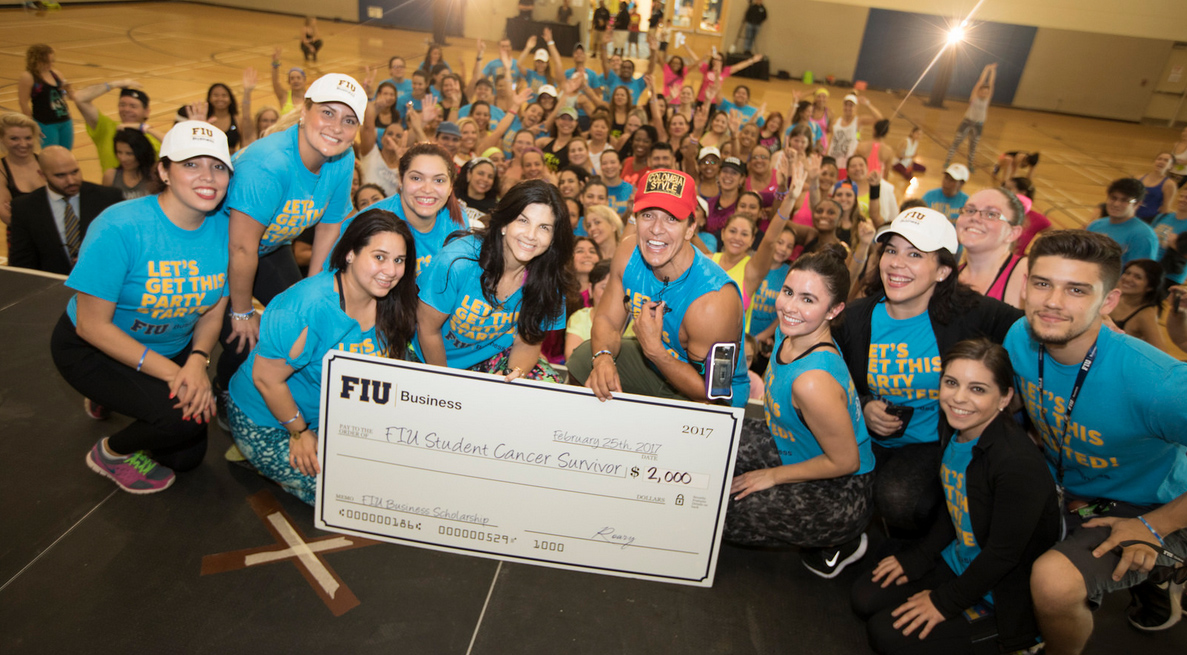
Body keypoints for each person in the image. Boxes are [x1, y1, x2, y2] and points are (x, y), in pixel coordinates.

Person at [1006, 231, 1187, 650]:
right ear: (1025, 285)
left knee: (1052, 582)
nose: (1052, 301)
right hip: (1073, 487)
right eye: (1042, 283)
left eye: (1076, 289)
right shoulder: (1020, 336)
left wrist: (1153, 526)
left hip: (1152, 504)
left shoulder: (1156, 382)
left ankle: (1164, 567)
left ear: (1108, 302)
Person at [49, 121, 234, 494]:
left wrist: (198, 360)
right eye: (190, 165)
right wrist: (174, 374)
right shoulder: (120, 226)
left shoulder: (226, 228)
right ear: (163, 171)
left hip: (173, 347)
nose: (208, 177)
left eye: (218, 167)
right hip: (95, 349)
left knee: (185, 459)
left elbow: (216, 307)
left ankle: (126, 396)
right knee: (182, 421)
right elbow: (91, 325)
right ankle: (109, 453)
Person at [852, 339, 1060, 655]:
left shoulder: (1017, 465)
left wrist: (945, 602)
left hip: (999, 589)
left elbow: (1004, 555)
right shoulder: (955, 426)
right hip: (960, 561)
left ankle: (1020, 644)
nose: (958, 398)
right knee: (865, 598)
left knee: (886, 636)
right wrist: (919, 558)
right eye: (951, 383)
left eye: (978, 389)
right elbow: (956, 508)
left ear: (1004, 397)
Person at [833, 208, 1022, 534]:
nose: (896, 262)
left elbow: (1035, 329)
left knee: (899, 499)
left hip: (931, 443)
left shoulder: (971, 313)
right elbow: (832, 380)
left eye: (915, 254)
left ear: (943, 271)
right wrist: (863, 403)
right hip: (864, 437)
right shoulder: (855, 318)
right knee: (832, 498)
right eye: (891, 250)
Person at [228, 210, 418, 504]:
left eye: (399, 260)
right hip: (270, 420)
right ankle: (259, 459)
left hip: (334, 416)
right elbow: (265, 379)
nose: (391, 270)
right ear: (350, 254)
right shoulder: (304, 307)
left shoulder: (390, 299)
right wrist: (299, 431)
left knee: (399, 472)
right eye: (379, 257)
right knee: (349, 494)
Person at [725, 249, 876, 577]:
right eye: (788, 292)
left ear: (834, 310)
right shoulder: (789, 331)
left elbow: (846, 462)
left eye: (808, 300)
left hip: (842, 490)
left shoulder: (812, 382)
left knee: (721, 513)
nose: (790, 307)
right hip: (795, 446)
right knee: (716, 443)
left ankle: (840, 542)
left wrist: (772, 475)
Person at [216, 74, 366, 401]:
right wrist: (241, 312)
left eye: (348, 120)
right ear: (304, 111)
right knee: (242, 339)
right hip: (221, 251)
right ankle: (224, 391)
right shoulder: (269, 163)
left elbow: (329, 227)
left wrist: (311, 294)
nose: (337, 127)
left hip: (270, 247)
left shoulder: (342, 158)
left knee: (300, 325)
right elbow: (240, 246)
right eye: (327, 113)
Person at [569, 168, 750, 406]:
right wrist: (603, 359)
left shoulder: (714, 300)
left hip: (710, 398)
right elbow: (608, 321)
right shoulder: (628, 253)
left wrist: (655, 350)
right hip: (655, 364)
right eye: (647, 215)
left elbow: (715, 392)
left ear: (690, 229)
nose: (656, 229)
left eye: (671, 218)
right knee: (584, 358)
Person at [414, 179, 573, 380]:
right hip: (433, 359)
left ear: (553, 237)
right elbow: (427, 329)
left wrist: (511, 375)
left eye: (544, 227)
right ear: (505, 223)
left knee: (546, 381)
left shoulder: (550, 279)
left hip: (491, 359)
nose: (531, 235)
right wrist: (447, 383)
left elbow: (528, 341)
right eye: (523, 221)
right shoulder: (457, 261)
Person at [358, 143, 469, 277]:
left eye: (439, 180)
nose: (427, 189)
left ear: (451, 186)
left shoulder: (457, 220)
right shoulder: (369, 221)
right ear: (400, 180)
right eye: (416, 178)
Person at [9, 146, 122, 275]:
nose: (71, 180)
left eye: (75, 172)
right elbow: (22, 263)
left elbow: (125, 245)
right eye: (60, 175)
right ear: (42, 175)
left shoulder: (108, 197)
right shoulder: (24, 207)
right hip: (52, 288)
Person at [955, 188, 1029, 308]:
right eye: (970, 210)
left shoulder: (1025, 273)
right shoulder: (950, 276)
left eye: (991, 214)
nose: (975, 218)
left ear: (1012, 233)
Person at [72, 82, 161, 172]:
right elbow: (80, 98)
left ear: (146, 111)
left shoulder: (155, 137)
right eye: (122, 105)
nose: (126, 109)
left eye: (133, 106)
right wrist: (113, 85)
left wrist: (143, 127)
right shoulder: (106, 128)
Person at [1086, 177, 1159, 266]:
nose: (1116, 204)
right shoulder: (1095, 225)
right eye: (1113, 198)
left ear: (1137, 204)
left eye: (1125, 200)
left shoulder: (1143, 235)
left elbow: (1141, 273)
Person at [18, 44, 73, 149]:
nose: (50, 64)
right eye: (47, 62)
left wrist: (68, 90)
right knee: (51, 156)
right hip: (46, 123)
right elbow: (23, 102)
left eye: (52, 61)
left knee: (66, 155)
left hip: (65, 121)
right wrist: (32, 125)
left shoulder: (56, 74)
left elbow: (66, 96)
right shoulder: (28, 77)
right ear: (37, 61)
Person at [944, 64, 995, 173]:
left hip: (978, 125)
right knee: (956, 142)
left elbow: (991, 84)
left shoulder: (986, 101)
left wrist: (993, 71)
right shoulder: (974, 97)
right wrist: (986, 69)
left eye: (987, 92)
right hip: (967, 122)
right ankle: (947, 161)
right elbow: (980, 82)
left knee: (973, 146)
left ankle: (970, 164)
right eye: (983, 91)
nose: (985, 93)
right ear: (979, 91)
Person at [1109, 259, 1168, 351]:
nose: (1128, 279)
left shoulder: (1145, 315)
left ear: (1150, 287)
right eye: (1127, 273)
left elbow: (1161, 352)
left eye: (1138, 277)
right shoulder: (1112, 293)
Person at [1, 112, 44, 229]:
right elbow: (6, 216)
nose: (23, 144)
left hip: (56, 235)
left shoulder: (47, 162)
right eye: (14, 138)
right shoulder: (2, 171)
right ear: (2, 138)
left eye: (28, 138)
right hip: (22, 239)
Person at [177, 83, 244, 152]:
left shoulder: (238, 120)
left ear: (230, 99)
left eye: (224, 95)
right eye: (215, 95)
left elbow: (245, 144)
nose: (220, 98)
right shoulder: (203, 119)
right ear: (209, 98)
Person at [1004, 176, 1051, 256]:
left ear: (1022, 193)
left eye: (1009, 189)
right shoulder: (997, 212)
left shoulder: (1036, 219)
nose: (1004, 191)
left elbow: (1057, 239)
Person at [102, 128, 155, 200]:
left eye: (129, 154)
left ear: (141, 153)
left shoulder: (154, 176)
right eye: (119, 152)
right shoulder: (110, 176)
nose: (123, 158)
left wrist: (146, 128)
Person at [1151, 188, 1187, 284]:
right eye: (1182, 196)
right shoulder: (1163, 217)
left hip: (1170, 276)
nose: (1182, 200)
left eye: (1186, 198)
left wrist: (1176, 245)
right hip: (1150, 267)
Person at [1136, 152, 1177, 222]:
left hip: (1149, 219)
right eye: (1159, 159)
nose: (1161, 162)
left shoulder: (1169, 184)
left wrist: (1159, 223)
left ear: (1171, 166)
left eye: (1166, 160)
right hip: (1132, 215)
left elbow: (1165, 208)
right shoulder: (1138, 178)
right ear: (1155, 161)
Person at [270, 49, 308, 115]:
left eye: (298, 78)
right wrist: (275, 65)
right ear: (289, 81)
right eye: (292, 78)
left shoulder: (311, 98)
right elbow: (275, 82)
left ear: (304, 80)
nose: (295, 81)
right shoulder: (284, 96)